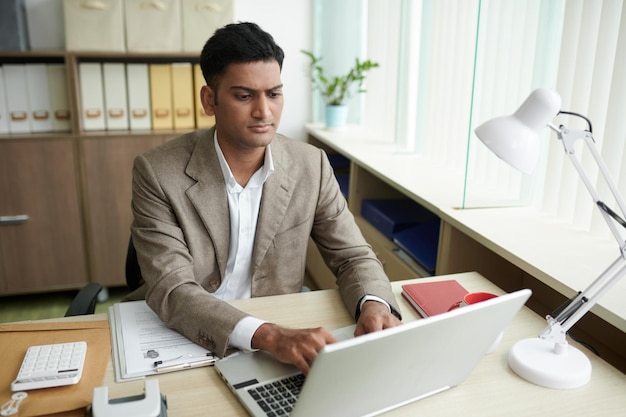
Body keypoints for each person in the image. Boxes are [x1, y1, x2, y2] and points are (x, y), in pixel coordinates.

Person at [128, 22, 402, 375]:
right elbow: (174, 288)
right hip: (186, 333)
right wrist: (270, 336)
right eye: (244, 96)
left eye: (274, 94)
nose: (264, 112)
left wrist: (374, 303)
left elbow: (352, 256)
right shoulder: (156, 171)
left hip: (278, 332)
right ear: (209, 100)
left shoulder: (310, 164)